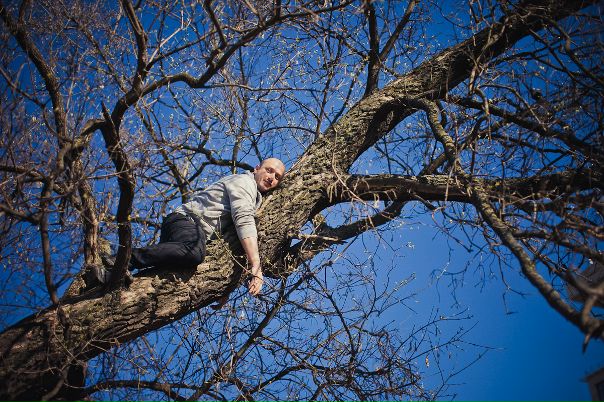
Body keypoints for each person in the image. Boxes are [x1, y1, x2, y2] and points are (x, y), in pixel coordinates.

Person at [87, 158, 286, 297]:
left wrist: (225, 290)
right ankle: (123, 260)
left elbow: (229, 237)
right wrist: (256, 264)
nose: (272, 177)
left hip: (186, 233)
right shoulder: (245, 182)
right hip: (186, 223)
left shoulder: (255, 196)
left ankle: (107, 277)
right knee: (194, 252)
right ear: (256, 168)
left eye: (277, 177)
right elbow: (243, 218)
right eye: (269, 170)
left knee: (172, 269)